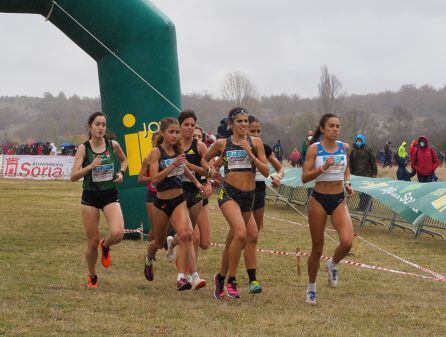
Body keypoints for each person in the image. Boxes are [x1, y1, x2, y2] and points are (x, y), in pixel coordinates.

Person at [202, 107, 269, 300]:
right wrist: (210, 172)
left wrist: (251, 154)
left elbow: (265, 172)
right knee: (241, 234)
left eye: (246, 121)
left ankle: (220, 277)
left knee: (234, 241)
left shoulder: (255, 142)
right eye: (239, 121)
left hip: (249, 195)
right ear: (231, 124)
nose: (244, 125)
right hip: (229, 194)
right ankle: (231, 279)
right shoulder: (223, 144)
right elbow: (206, 160)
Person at [143, 117, 209, 291]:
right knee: (157, 242)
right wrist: (172, 166)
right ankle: (149, 259)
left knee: (187, 234)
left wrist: (196, 183)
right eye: (171, 132)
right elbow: (155, 179)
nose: (174, 135)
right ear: (163, 133)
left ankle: (190, 277)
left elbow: (184, 169)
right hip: (162, 202)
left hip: (179, 200)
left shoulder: (179, 150)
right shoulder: (157, 152)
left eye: (176, 132)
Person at [70, 112, 127, 289]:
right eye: (97, 124)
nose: (101, 128)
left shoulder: (113, 145)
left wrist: (121, 173)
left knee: (118, 233)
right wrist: (90, 166)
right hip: (90, 196)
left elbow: (124, 161)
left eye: (103, 124)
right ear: (90, 126)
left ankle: (106, 244)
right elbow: (73, 176)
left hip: (109, 194)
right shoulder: (83, 148)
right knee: (92, 242)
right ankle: (92, 275)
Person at [302, 113, 354, 305]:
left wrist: (348, 183)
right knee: (317, 247)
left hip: (339, 198)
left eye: (338, 126)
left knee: (347, 242)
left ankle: (332, 264)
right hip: (319, 200)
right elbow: (305, 177)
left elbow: (346, 168)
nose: (335, 129)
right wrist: (322, 168)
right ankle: (311, 287)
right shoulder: (314, 149)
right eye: (331, 126)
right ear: (322, 129)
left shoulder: (345, 147)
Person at [165, 110, 209, 288]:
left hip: (197, 193)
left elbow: (208, 171)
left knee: (204, 242)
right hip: (178, 194)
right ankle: (188, 276)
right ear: (180, 125)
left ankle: (171, 242)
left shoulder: (200, 147)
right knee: (191, 237)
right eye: (186, 125)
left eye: (193, 125)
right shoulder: (173, 145)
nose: (190, 128)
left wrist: (205, 180)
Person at [192, 126, 212, 260]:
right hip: (186, 196)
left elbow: (212, 171)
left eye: (200, 137)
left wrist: (209, 184)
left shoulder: (205, 152)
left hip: (202, 197)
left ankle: (174, 240)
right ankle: (191, 272)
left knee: (205, 243)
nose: (197, 139)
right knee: (195, 238)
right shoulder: (183, 151)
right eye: (195, 136)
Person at [349, 134, 377, 211]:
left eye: (360, 141)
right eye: (357, 140)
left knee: (366, 192)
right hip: (356, 175)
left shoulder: (368, 150)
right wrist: (351, 174)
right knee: (360, 192)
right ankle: (362, 207)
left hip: (367, 175)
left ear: (363, 141)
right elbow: (350, 164)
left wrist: (374, 173)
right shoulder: (353, 151)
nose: (358, 142)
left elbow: (373, 162)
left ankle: (368, 207)